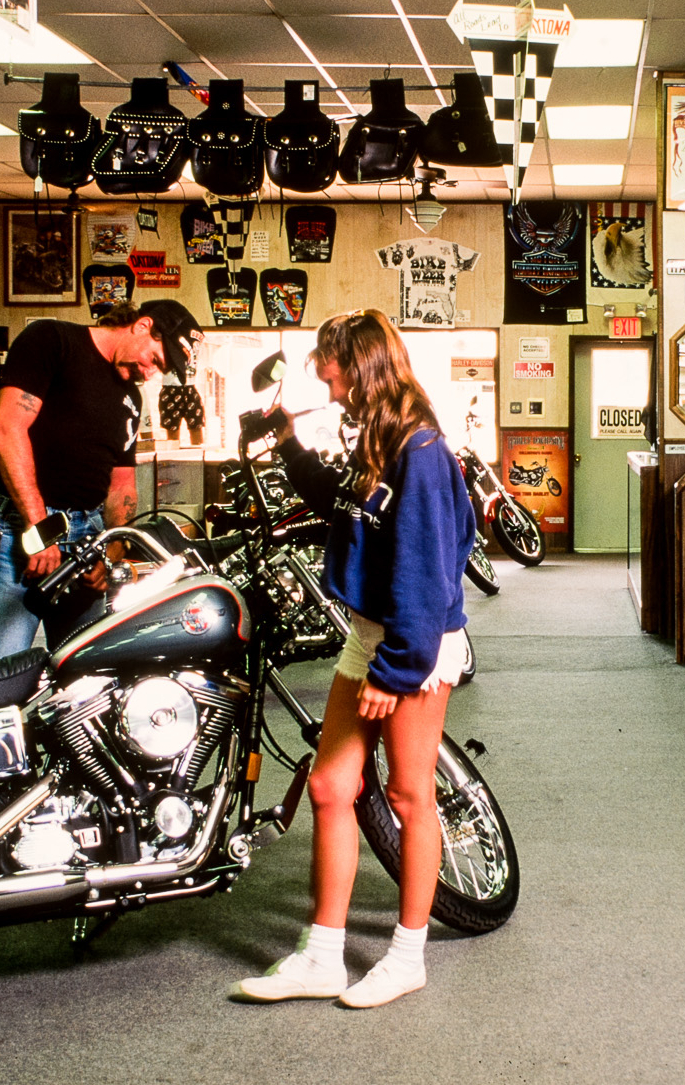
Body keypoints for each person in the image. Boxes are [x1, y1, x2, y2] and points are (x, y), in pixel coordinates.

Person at [230, 308, 479, 1010]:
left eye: (330, 370)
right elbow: (345, 508)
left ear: (361, 365)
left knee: (407, 795)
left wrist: (394, 671)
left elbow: (429, 579)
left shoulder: (420, 450)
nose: (326, 383)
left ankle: (407, 956)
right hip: (370, 634)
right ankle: (323, 954)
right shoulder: (375, 437)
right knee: (332, 786)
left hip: (415, 643)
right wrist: (288, 445)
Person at [0, 299, 203, 661]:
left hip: (87, 538)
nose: (150, 373)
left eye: (161, 369)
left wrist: (111, 556)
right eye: (155, 359)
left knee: (85, 671)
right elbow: (8, 431)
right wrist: (39, 527)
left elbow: (122, 484)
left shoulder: (131, 398)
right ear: (143, 326)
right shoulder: (52, 341)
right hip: (23, 526)